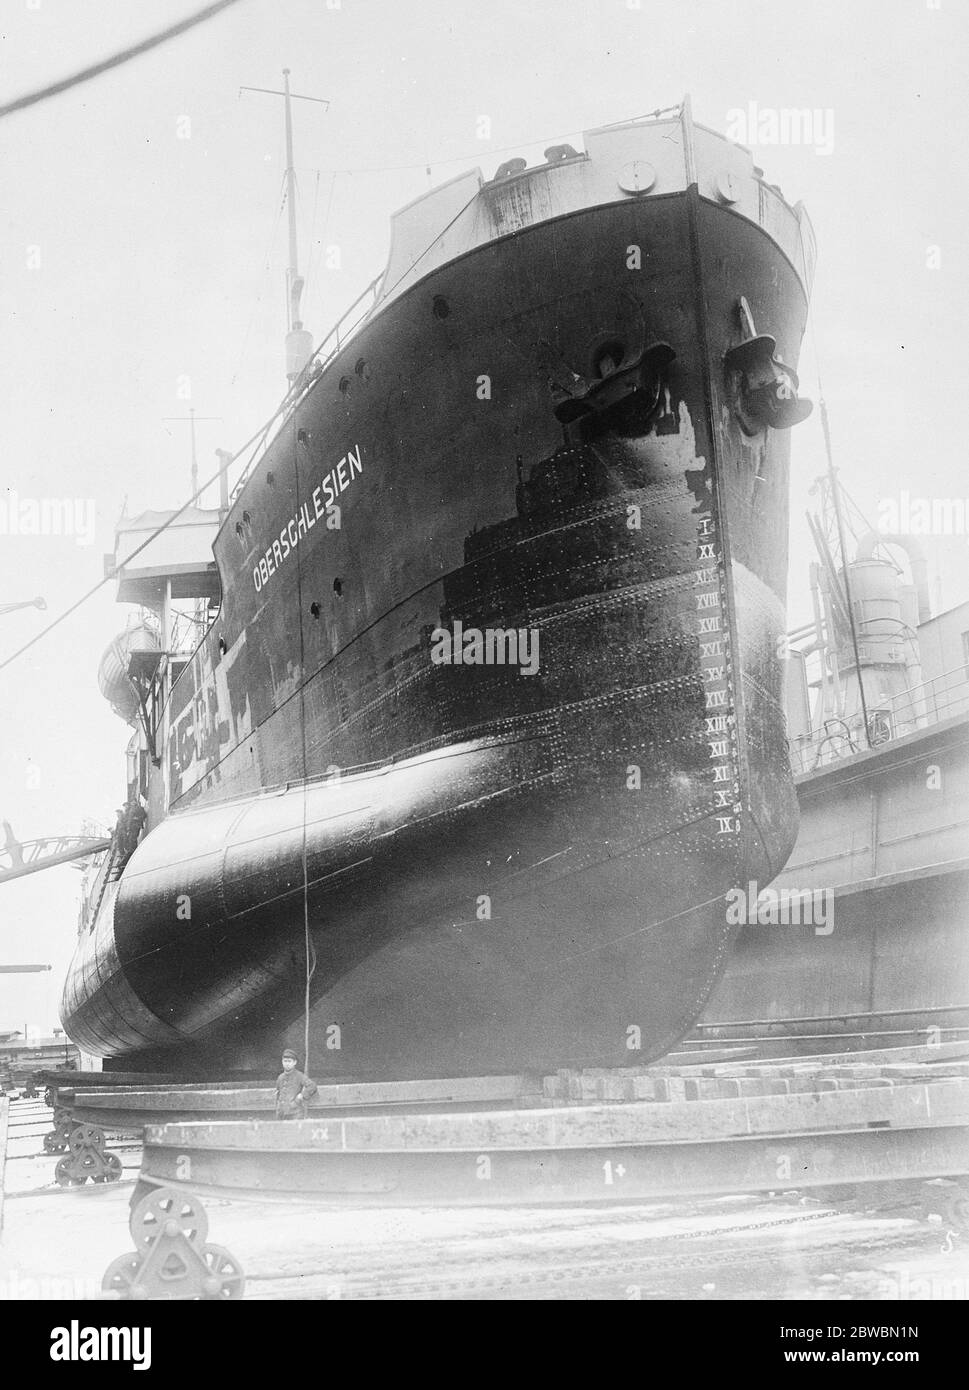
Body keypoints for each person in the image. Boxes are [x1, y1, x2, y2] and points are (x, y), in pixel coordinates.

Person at [274, 1048, 317, 1120]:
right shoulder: (280, 1077)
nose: (287, 1063)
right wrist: (278, 1109)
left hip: (295, 1114)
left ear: (294, 1062)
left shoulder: (299, 1075)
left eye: (289, 1061)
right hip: (282, 1114)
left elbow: (312, 1086)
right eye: (285, 1061)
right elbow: (278, 1094)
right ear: (282, 1062)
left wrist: (301, 1096)